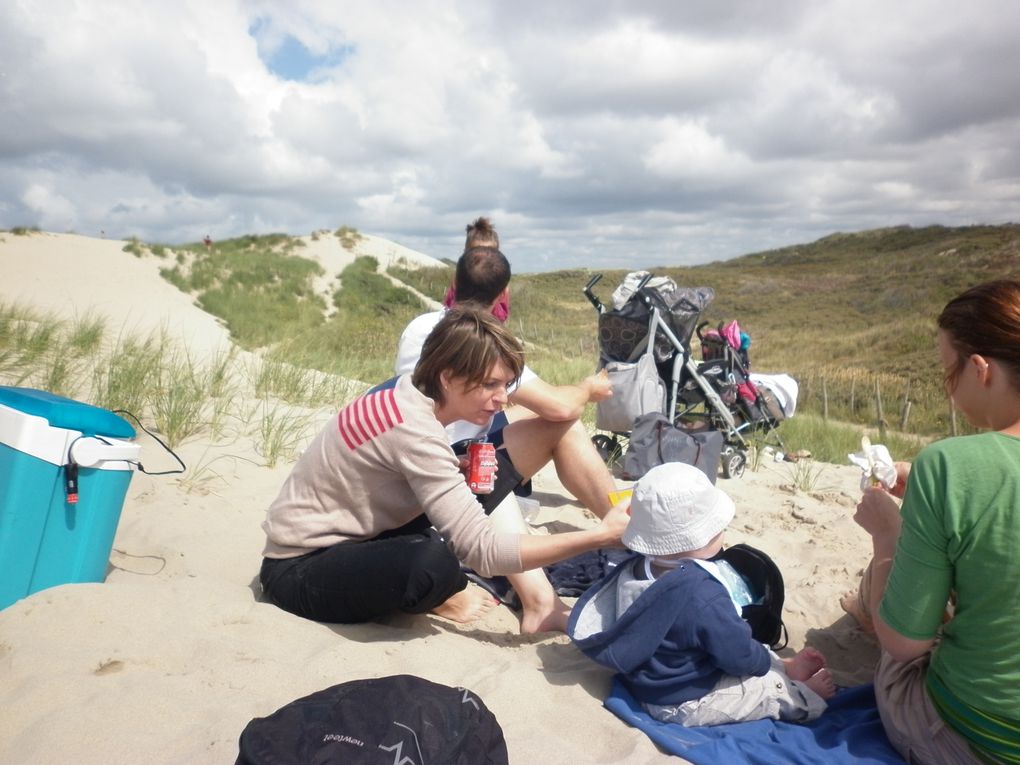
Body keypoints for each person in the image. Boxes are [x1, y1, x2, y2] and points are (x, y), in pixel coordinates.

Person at [260, 308, 630, 633]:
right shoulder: (415, 429)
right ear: (448, 378)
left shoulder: (406, 394)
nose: (503, 398)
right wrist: (598, 537)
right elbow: (483, 553)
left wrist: (453, 465)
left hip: (362, 532)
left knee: (481, 477)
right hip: (300, 567)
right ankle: (445, 597)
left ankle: (559, 586)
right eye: (490, 384)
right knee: (433, 566)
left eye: (506, 385)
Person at [846, 280, 1020, 765]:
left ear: (981, 369)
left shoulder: (951, 465)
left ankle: (861, 608)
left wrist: (889, 533)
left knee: (892, 609)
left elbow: (904, 647)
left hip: (981, 737)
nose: (950, 385)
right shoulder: (952, 471)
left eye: (950, 371)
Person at [568, 462, 835, 727]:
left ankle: (785, 667)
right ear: (699, 536)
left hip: (649, 678)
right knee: (767, 691)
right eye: (718, 525)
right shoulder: (702, 592)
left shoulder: (636, 568)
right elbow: (737, 656)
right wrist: (763, 665)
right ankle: (805, 695)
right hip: (682, 700)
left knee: (745, 647)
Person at [442, 217, 510, 321]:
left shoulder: (501, 286)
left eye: (490, 252)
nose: (483, 259)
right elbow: (447, 308)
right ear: (465, 252)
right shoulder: (459, 280)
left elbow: (503, 316)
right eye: (475, 252)